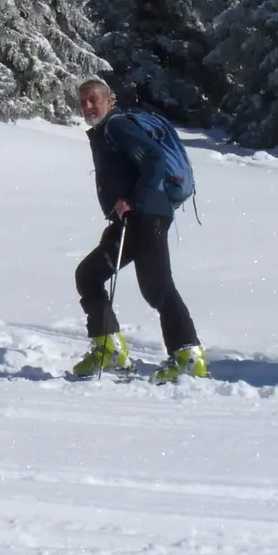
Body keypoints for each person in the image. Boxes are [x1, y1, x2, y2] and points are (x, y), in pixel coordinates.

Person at [70, 77, 208, 383]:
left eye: (93, 100)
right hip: (131, 220)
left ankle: (188, 356)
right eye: (83, 102)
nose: (88, 106)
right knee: (89, 275)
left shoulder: (118, 126)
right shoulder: (108, 130)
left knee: (157, 287)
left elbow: (154, 158)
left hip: (147, 217)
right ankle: (109, 350)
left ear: (109, 100)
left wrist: (133, 199)